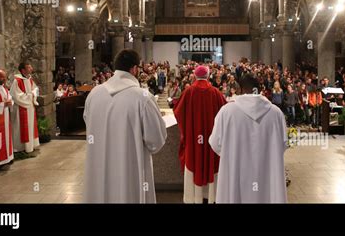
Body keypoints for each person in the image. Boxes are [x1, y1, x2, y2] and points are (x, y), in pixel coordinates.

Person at [83, 49, 167, 203]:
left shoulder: (93, 95)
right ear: (134, 69)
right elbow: (156, 141)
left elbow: (90, 125)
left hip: (99, 167)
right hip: (129, 172)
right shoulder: (143, 98)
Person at [209, 73, 288, 203]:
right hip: (266, 174)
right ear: (260, 89)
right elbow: (282, 145)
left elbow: (215, 143)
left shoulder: (226, 112)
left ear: (240, 89)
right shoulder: (276, 113)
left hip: (236, 172)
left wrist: (232, 154)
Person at [174, 65, 227, 203]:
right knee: (211, 161)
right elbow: (225, 113)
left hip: (193, 139)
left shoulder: (188, 92)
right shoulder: (216, 93)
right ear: (208, 76)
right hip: (210, 141)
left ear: (195, 76)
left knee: (194, 158)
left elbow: (178, 112)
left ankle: (194, 197)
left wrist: (188, 128)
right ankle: (210, 197)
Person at [10, 62, 39, 153]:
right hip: (21, 107)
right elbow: (15, 95)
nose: (31, 69)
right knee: (21, 127)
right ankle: (20, 148)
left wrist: (34, 93)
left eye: (31, 67)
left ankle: (31, 146)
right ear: (23, 70)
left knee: (30, 126)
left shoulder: (29, 79)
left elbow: (35, 89)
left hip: (30, 107)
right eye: (29, 67)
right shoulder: (17, 81)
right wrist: (31, 96)